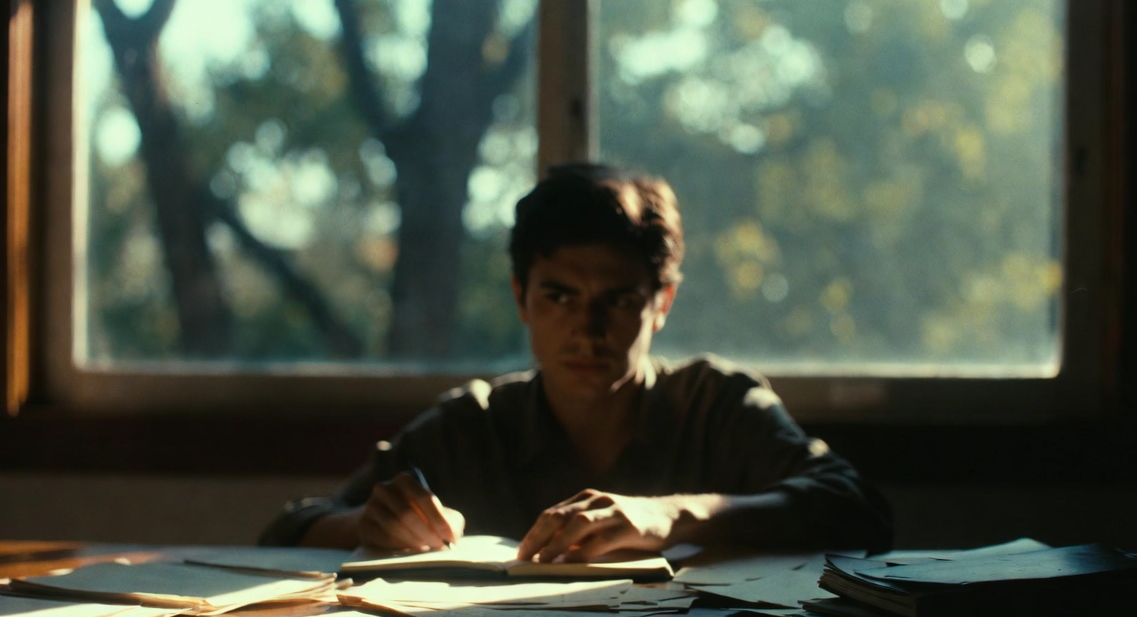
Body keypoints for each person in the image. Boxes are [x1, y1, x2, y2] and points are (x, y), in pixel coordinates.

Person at [260, 163, 892, 561]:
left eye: (617, 301)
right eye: (559, 297)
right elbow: (287, 530)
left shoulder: (715, 406)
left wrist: (672, 515)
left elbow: (858, 507)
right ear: (521, 298)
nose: (587, 330)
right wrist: (371, 523)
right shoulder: (474, 424)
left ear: (662, 303)